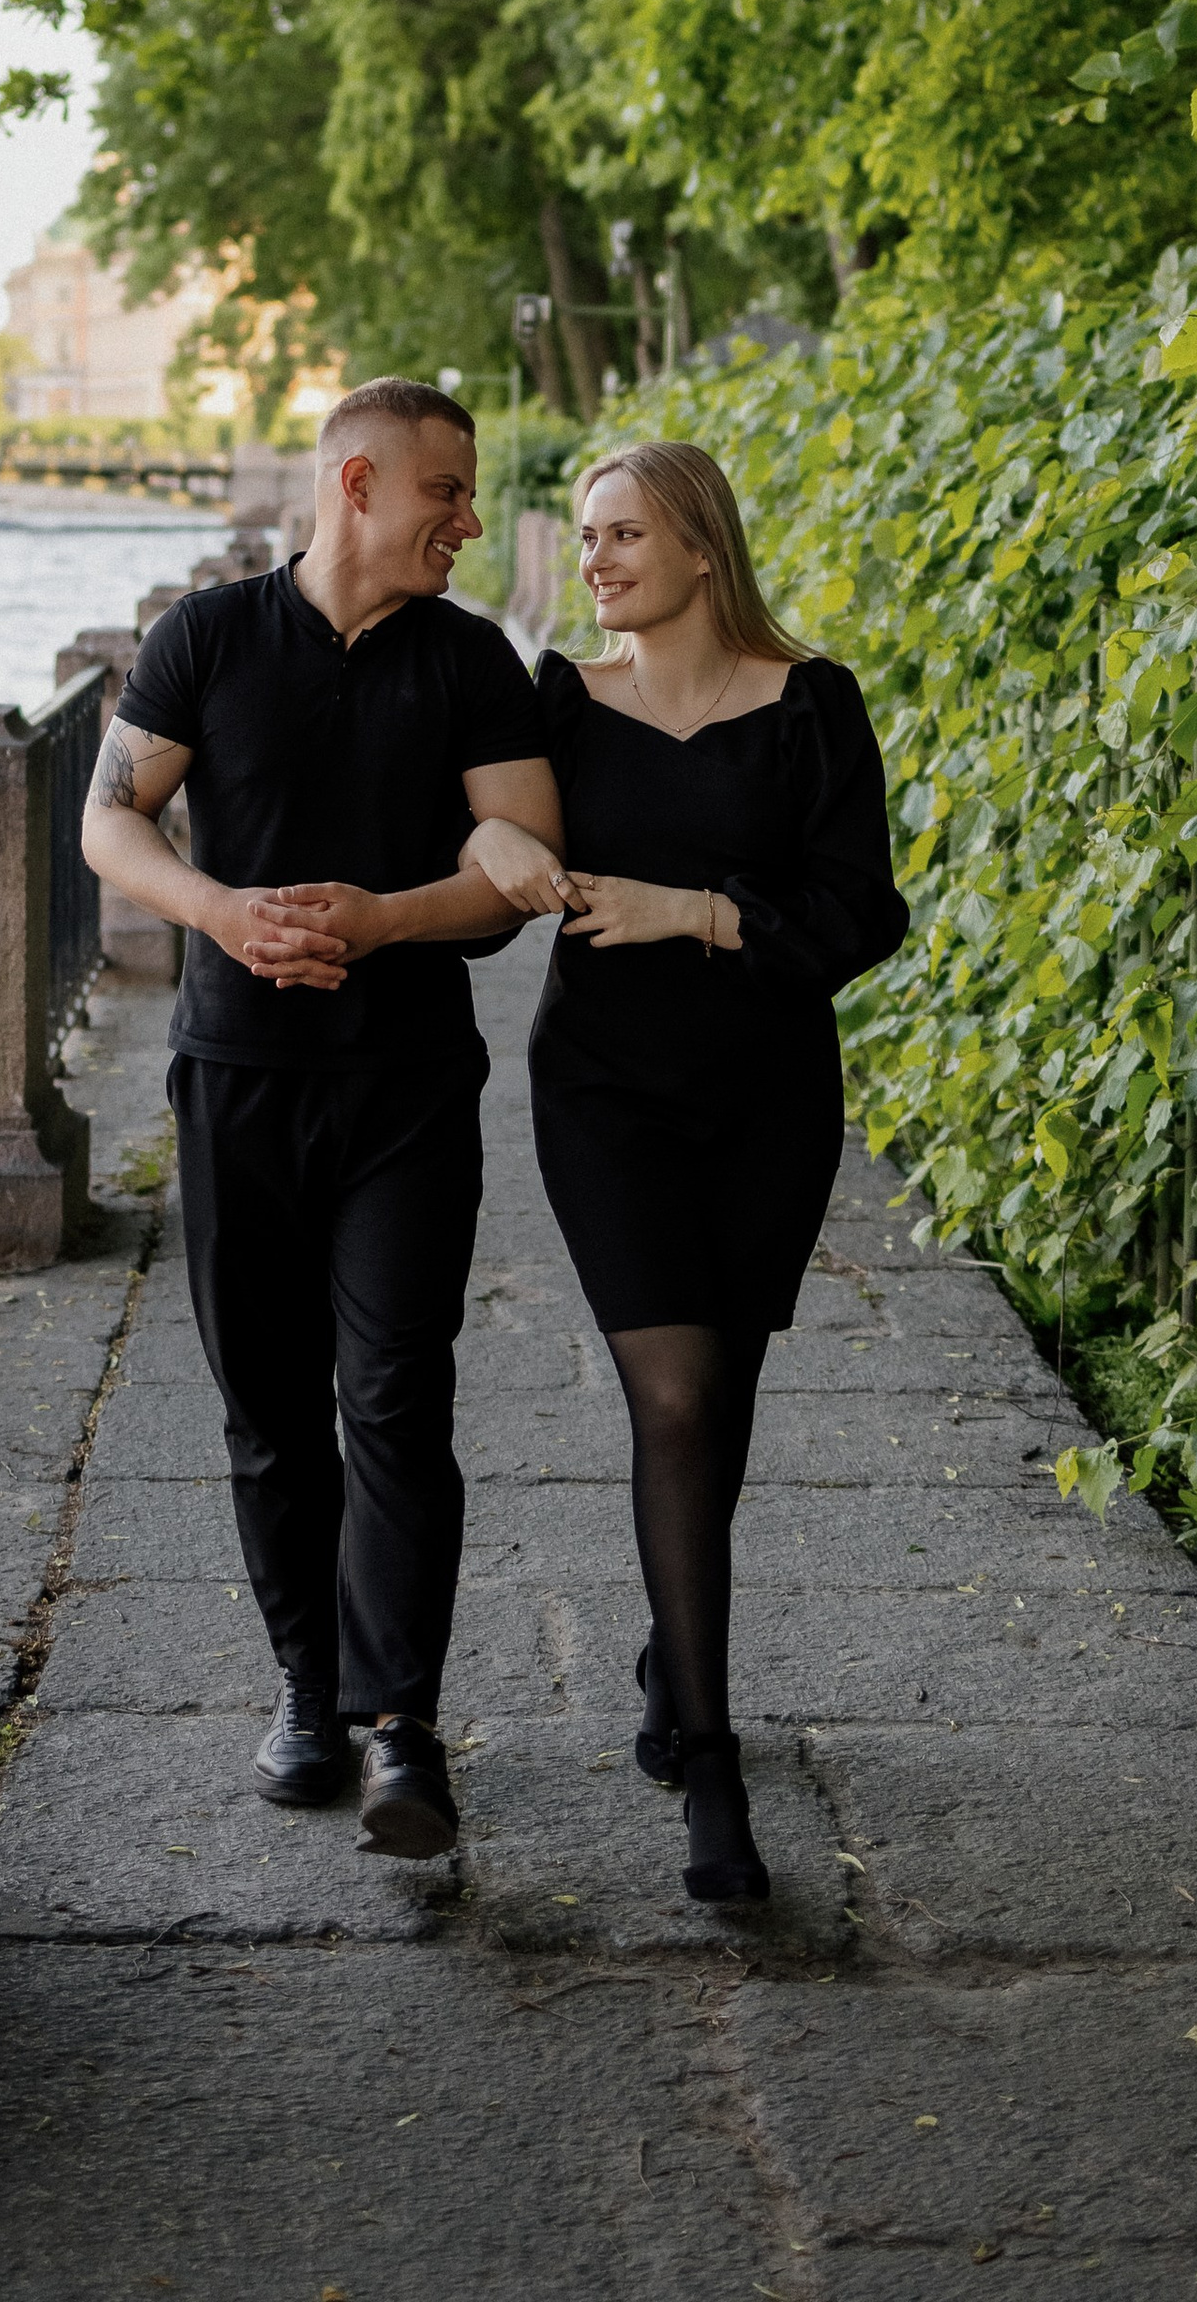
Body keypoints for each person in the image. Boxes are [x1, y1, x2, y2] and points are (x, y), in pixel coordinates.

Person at [80, 377, 562, 1859]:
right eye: (447, 492)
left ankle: (404, 1722)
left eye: (473, 496)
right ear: (356, 483)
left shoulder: (475, 662)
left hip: (408, 1091)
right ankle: (307, 1689)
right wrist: (220, 912)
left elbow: (525, 860)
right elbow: (111, 816)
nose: (468, 520)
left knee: (399, 1400)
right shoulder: (205, 638)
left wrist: (385, 915)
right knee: (271, 1416)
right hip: (234, 1084)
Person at [462, 440, 906, 1904]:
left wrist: (691, 911)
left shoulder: (812, 705)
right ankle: (708, 1759)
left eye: (624, 533)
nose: (595, 558)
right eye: (586, 536)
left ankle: (673, 1645)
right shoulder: (560, 703)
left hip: (770, 1095)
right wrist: (487, 835)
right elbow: (482, 818)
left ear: (703, 546)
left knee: (727, 1396)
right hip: (605, 1092)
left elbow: (858, 915)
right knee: (673, 1392)